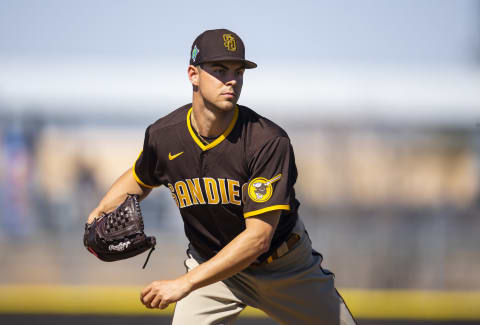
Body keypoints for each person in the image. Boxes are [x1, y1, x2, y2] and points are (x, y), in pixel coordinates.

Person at [88, 28, 357, 325]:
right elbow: (141, 178)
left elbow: (258, 239)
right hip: (212, 271)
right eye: (219, 69)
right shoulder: (165, 136)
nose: (232, 80)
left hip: (283, 267)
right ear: (193, 74)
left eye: (238, 71)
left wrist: (185, 283)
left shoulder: (266, 141)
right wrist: (100, 210)